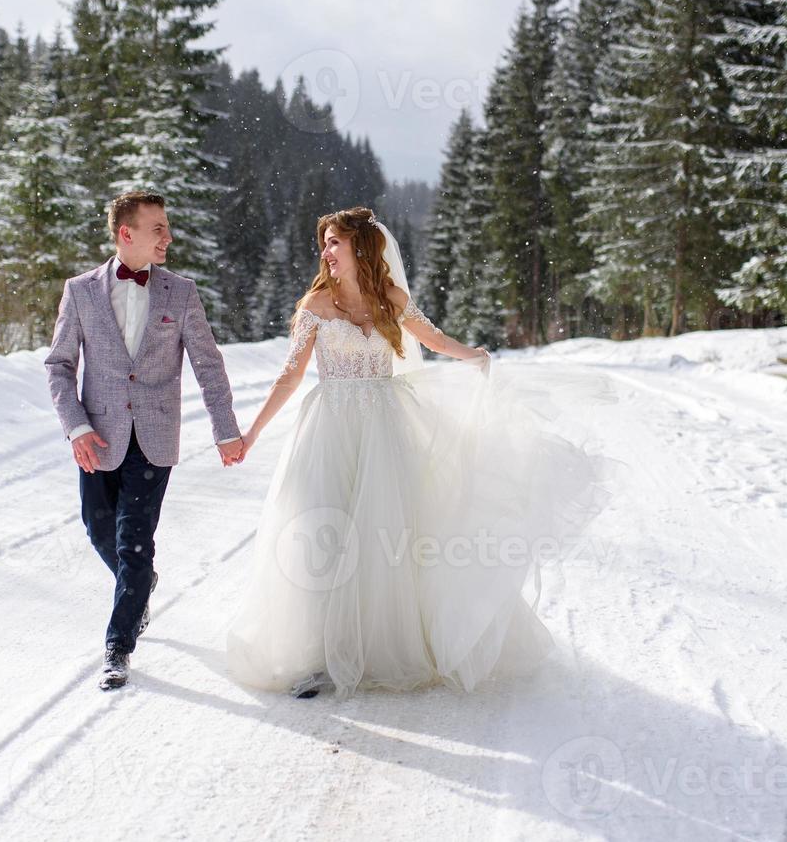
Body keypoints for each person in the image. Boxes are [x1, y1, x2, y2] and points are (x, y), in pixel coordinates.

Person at [225, 206, 615, 700]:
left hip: (385, 427)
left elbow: (431, 339)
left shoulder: (391, 298)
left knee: (386, 537)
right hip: (330, 430)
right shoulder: (316, 307)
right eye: (323, 243)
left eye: (334, 242)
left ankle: (379, 646)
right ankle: (317, 655)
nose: (325, 251)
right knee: (324, 536)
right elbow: (290, 376)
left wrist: (474, 356)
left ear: (361, 248)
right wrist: (251, 434)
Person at [45, 191, 245, 690]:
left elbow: (208, 365)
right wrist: (76, 425)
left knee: (134, 543)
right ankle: (140, 587)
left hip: (155, 437)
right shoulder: (81, 291)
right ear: (125, 234)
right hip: (98, 436)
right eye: (158, 228)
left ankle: (118, 647)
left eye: (168, 227)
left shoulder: (181, 293)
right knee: (98, 528)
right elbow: (59, 366)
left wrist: (225, 430)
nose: (169, 237)